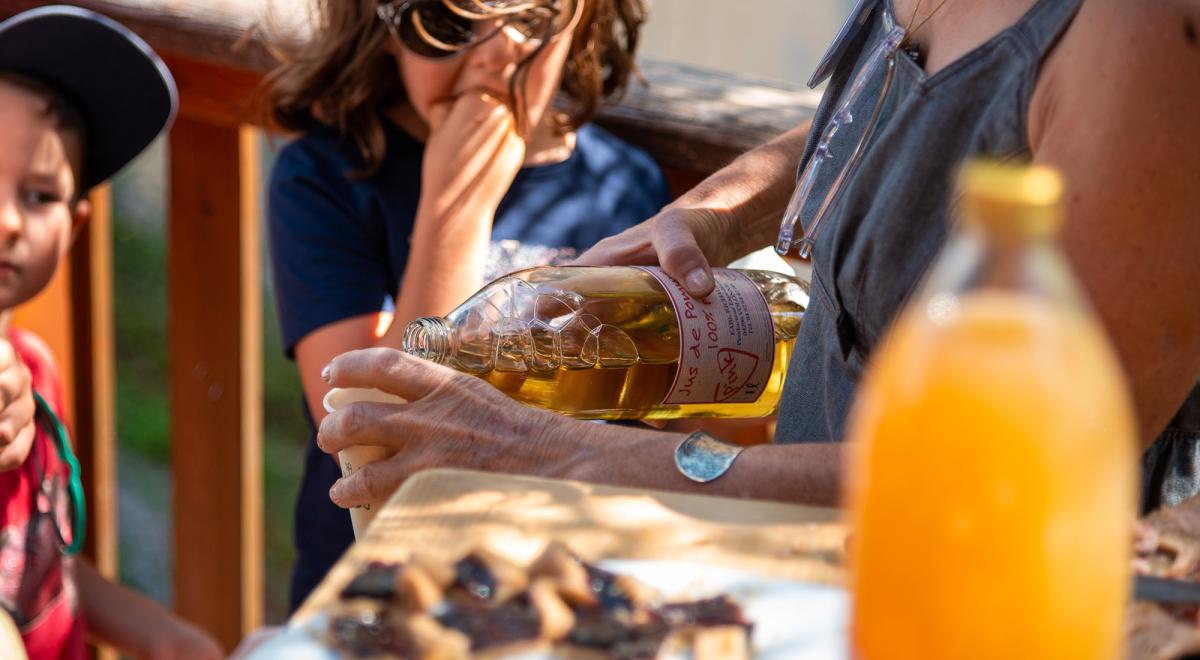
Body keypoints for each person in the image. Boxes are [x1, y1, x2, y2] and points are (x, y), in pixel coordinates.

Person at [315, 0, 1200, 514]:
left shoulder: (1151, 35)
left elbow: (1019, 475)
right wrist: (718, 209)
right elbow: (921, 115)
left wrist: (567, 457)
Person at [264, 0, 670, 610]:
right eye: (446, 21)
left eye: (532, 20)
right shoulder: (327, 177)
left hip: (569, 585)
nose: (492, 54)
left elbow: (658, 408)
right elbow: (375, 427)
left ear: (581, 24)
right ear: (383, 29)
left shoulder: (627, 184)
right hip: (380, 588)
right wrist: (457, 205)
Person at [0, 6, 224, 659]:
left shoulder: (36, 368)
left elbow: (40, 557)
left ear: (75, 226)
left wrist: (161, 635)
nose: (9, 220)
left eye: (39, 195)